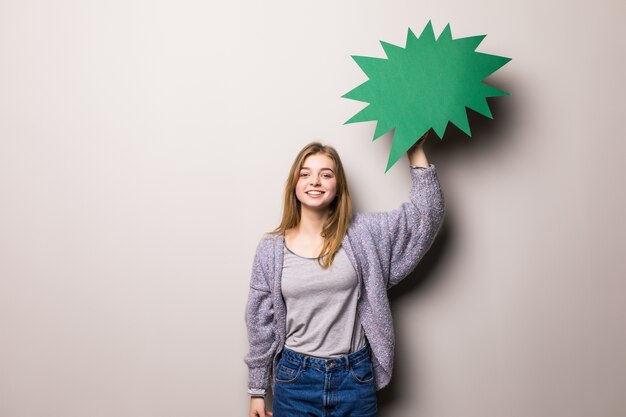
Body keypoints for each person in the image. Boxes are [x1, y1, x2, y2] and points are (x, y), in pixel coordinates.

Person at [244, 132, 445, 417]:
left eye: (326, 174)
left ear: (338, 187)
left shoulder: (364, 234)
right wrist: (257, 391)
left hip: (355, 378)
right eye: (305, 174)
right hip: (295, 380)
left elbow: (426, 216)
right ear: (294, 185)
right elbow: (259, 323)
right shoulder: (271, 249)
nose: (315, 181)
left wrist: (415, 151)